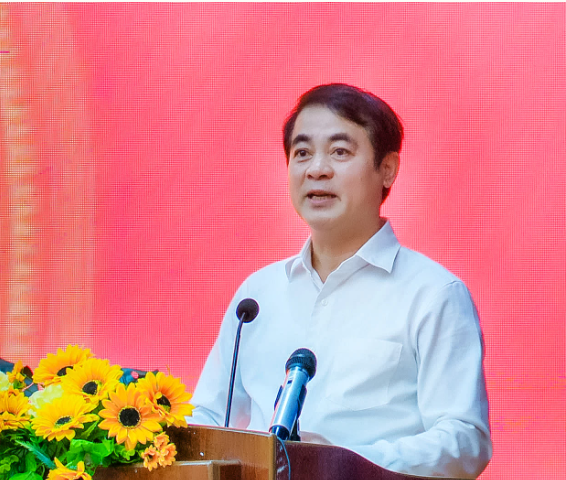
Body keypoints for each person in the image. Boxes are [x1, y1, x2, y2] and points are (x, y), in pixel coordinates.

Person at [188, 84, 492, 478]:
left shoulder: (433, 294)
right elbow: (209, 418)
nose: (316, 169)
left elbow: (464, 441)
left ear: (387, 169)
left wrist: (341, 462)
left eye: (340, 152)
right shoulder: (257, 295)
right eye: (302, 153)